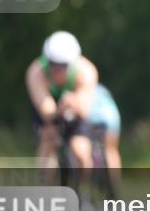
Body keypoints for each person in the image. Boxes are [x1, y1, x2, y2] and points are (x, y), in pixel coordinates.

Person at [25, 31, 98, 177]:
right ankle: (46, 191)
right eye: (53, 64)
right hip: (49, 110)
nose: (57, 70)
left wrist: (73, 103)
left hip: (76, 108)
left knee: (80, 151)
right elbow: (47, 112)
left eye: (63, 66)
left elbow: (84, 108)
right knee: (49, 139)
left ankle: (83, 189)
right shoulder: (36, 72)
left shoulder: (86, 71)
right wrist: (59, 111)